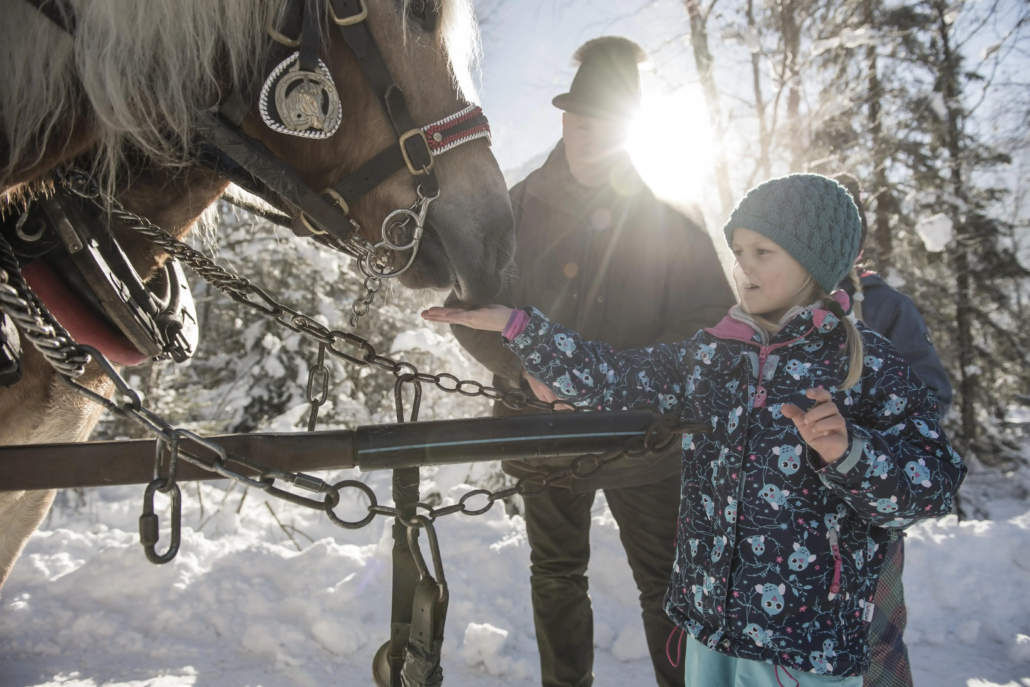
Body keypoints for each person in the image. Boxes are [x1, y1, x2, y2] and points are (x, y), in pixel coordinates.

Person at [425, 173, 966, 685]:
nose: (743, 267)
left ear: (813, 263)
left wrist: (852, 454)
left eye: (763, 253)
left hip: (804, 643)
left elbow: (933, 483)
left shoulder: (863, 363)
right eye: (738, 252)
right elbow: (617, 376)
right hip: (710, 631)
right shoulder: (714, 355)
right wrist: (520, 328)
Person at [445, 36, 735, 687]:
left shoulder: (671, 215)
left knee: (665, 583)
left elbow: (708, 326)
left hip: (647, 437)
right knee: (555, 575)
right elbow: (469, 306)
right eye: (577, 122)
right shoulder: (513, 209)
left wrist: (633, 382)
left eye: (602, 126)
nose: (586, 139)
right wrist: (524, 371)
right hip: (541, 433)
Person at [833, 173, 954, 687]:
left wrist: (861, 437)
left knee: (875, 639)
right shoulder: (778, 309)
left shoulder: (885, 308)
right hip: (792, 519)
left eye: (842, 232)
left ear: (857, 241)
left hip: (869, 516)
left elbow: (930, 397)